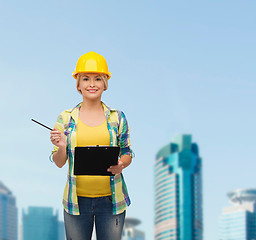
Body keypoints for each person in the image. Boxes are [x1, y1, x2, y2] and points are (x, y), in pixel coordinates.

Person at [49, 51, 135, 240]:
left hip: (111, 201)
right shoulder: (65, 118)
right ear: (78, 83)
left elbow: (127, 152)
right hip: (76, 201)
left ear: (105, 83)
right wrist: (62, 146)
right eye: (86, 78)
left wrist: (122, 164)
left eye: (97, 78)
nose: (92, 84)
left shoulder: (117, 117)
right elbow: (59, 162)